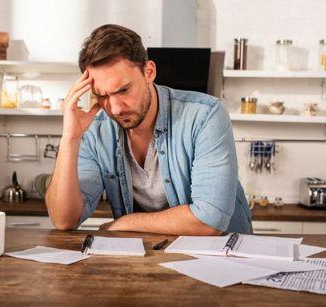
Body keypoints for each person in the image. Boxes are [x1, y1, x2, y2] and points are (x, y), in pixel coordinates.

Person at [46, 24, 252, 235]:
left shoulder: (205, 115)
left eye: (124, 90)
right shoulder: (96, 129)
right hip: (147, 260)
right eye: (102, 95)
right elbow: (64, 220)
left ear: (149, 72)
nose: (115, 108)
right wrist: (70, 138)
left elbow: (210, 221)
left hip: (223, 259)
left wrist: (126, 222)